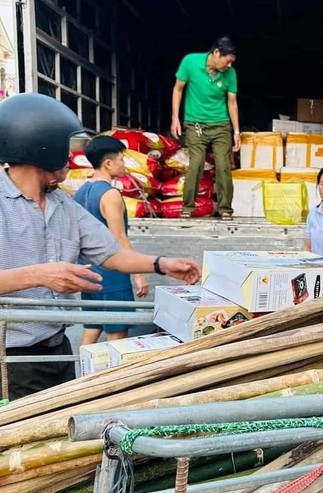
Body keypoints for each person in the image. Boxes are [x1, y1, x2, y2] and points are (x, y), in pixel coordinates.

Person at [0, 93, 201, 400]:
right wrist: (39, 275)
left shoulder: (63, 205)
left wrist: (161, 264)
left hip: (57, 347)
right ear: (40, 145)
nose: (71, 159)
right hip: (10, 358)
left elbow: (111, 253)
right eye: (65, 149)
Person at [74, 136, 149, 346]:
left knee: (92, 327)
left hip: (88, 272)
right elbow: (119, 238)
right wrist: (139, 274)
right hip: (112, 274)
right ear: (108, 163)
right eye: (122, 159)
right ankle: (113, 378)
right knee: (117, 333)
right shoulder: (110, 195)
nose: (124, 164)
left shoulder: (80, 192)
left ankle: (83, 377)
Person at [170, 36, 241, 220]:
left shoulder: (230, 74)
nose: (229, 66)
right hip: (195, 125)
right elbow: (178, 89)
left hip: (220, 125)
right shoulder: (190, 62)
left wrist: (236, 131)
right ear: (216, 53)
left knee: (224, 165)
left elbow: (232, 102)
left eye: (232, 62)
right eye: (228, 61)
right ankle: (187, 207)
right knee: (196, 163)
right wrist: (175, 118)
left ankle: (225, 208)